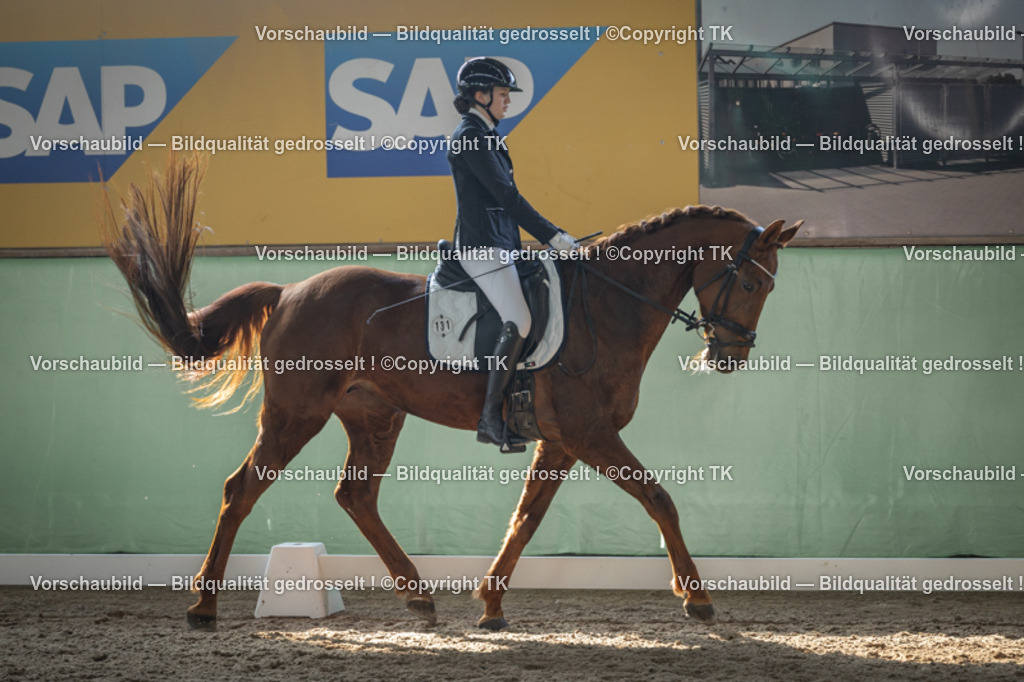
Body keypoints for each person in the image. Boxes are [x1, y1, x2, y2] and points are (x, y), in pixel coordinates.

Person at [447, 56, 576, 448]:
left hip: (501, 246)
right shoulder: (470, 135)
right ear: (480, 95)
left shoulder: (488, 136)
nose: (508, 101)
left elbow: (502, 207)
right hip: (480, 248)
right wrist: (552, 235)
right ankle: (489, 418)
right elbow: (506, 197)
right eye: (503, 94)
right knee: (518, 319)